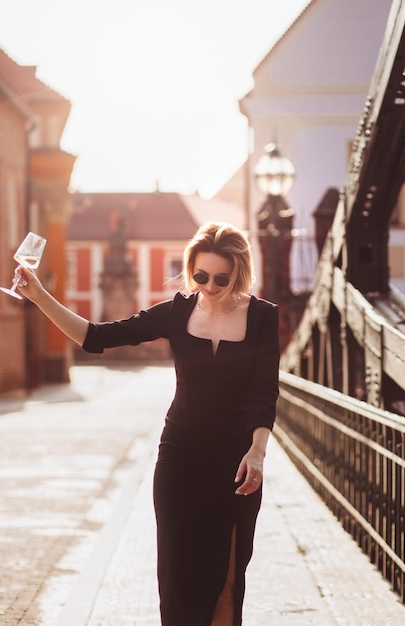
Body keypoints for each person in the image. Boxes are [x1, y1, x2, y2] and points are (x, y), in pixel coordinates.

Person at [16, 221, 280, 626]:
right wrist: (38, 296)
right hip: (179, 461)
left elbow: (264, 392)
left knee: (227, 582)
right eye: (201, 275)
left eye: (221, 278)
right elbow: (96, 337)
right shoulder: (177, 311)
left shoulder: (261, 317)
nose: (209, 286)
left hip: (237, 463)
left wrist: (258, 452)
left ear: (239, 273)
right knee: (177, 583)